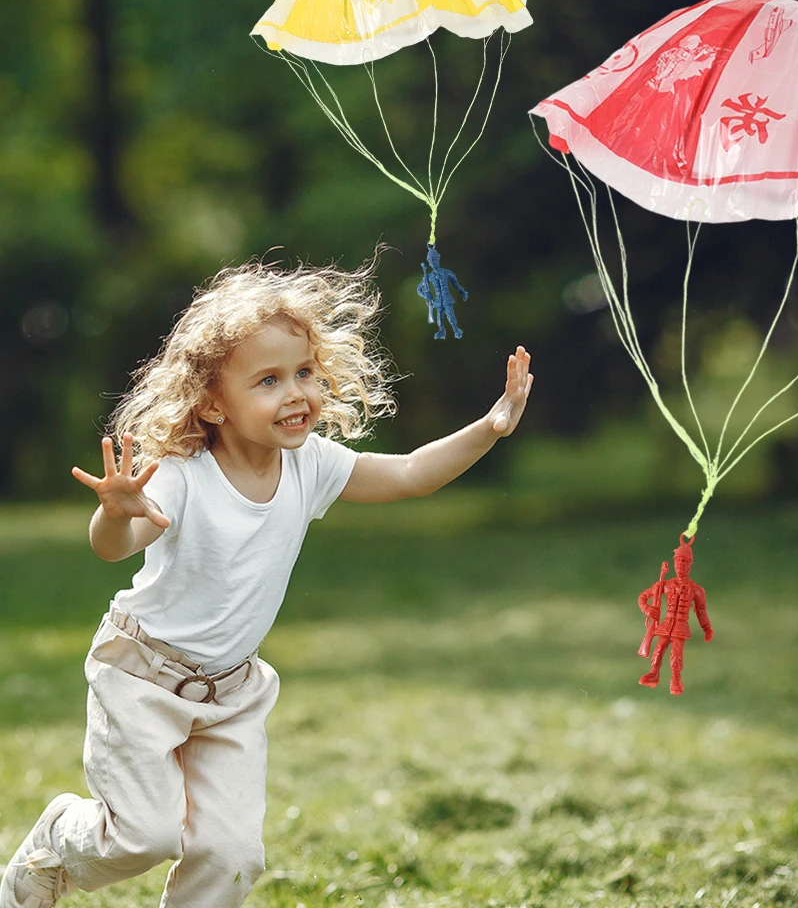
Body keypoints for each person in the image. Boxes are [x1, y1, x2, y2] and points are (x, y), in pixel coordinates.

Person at [0, 260, 533, 908]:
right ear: (213, 400)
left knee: (230, 858)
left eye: (305, 373)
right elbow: (115, 550)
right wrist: (114, 513)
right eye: (269, 380)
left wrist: (491, 427)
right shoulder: (182, 474)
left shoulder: (311, 465)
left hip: (232, 694)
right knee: (141, 838)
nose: (296, 393)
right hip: (141, 680)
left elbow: (411, 474)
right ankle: (55, 842)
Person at [637, 535, 713, 695]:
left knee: (676, 655)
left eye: (684, 561)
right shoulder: (665, 585)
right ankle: (654, 673)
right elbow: (643, 597)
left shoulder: (696, 590)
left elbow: (701, 611)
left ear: (690, 564)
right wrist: (648, 609)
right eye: (678, 561)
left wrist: (707, 628)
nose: (680, 564)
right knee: (658, 651)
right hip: (666, 623)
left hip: (680, 625)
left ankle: (676, 679)